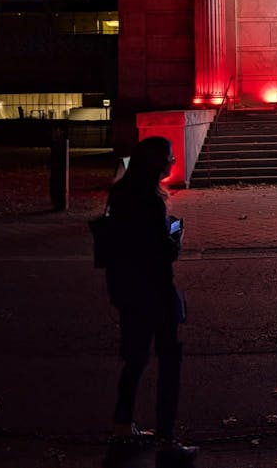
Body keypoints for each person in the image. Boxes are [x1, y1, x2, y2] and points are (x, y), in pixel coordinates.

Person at [104, 136, 196, 462]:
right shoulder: (151, 201)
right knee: (169, 361)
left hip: (127, 288)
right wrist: (177, 235)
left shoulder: (120, 194)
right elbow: (163, 251)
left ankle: (122, 425)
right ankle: (167, 437)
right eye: (170, 158)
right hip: (156, 289)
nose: (173, 162)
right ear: (157, 164)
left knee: (135, 358)